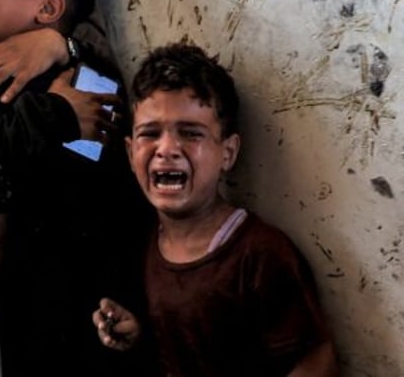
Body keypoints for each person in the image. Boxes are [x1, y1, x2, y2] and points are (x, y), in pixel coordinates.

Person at [0, 0, 155, 376]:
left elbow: (65, 178)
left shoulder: (88, 83)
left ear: (49, 10)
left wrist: (61, 58)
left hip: (65, 335)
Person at [93, 42, 338, 376]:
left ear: (228, 152)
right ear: (129, 151)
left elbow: (314, 359)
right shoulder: (145, 244)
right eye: (149, 133)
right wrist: (136, 334)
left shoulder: (259, 254)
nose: (166, 149)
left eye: (191, 133)